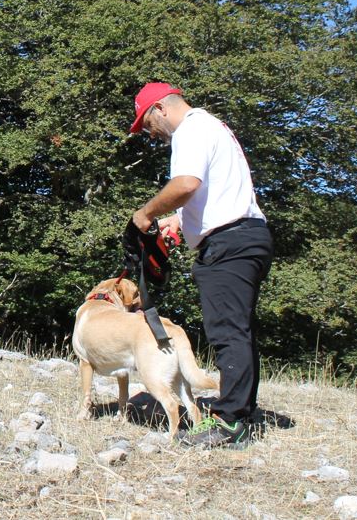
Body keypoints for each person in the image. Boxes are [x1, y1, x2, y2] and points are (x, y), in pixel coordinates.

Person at [129, 82, 273, 449]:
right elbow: (211, 190)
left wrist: (145, 213)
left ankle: (229, 423)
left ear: (160, 108)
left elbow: (187, 183)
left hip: (230, 242)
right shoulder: (213, 126)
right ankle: (243, 414)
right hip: (246, 236)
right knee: (238, 330)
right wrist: (180, 220)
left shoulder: (190, 129)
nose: (148, 133)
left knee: (227, 332)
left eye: (146, 123)